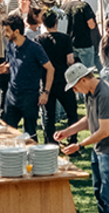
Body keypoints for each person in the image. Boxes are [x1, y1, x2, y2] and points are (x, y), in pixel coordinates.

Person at [56, 63, 109, 213]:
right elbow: (89, 119)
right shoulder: (89, 93)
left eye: (75, 86)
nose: (74, 90)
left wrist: (79, 145)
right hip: (99, 147)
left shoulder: (106, 95)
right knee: (98, 190)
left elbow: (104, 131)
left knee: (107, 194)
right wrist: (67, 132)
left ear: (83, 79)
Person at [0, 12, 54, 138]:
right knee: (7, 132)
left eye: (7, 30)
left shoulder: (35, 48)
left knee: (30, 134)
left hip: (29, 96)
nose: (4, 34)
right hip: (11, 95)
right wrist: (6, 69)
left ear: (16, 31)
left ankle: (33, 157)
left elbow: (50, 68)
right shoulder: (10, 46)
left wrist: (45, 92)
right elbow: (13, 65)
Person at [36, 10, 79, 145]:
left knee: (49, 115)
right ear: (57, 22)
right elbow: (70, 60)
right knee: (71, 112)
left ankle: (50, 142)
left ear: (43, 23)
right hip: (63, 80)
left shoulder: (39, 40)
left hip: (46, 81)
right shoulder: (65, 39)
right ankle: (72, 140)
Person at [65, 0, 100, 70]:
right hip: (85, 43)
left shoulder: (64, 6)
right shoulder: (84, 6)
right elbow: (91, 25)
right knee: (87, 71)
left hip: (70, 44)